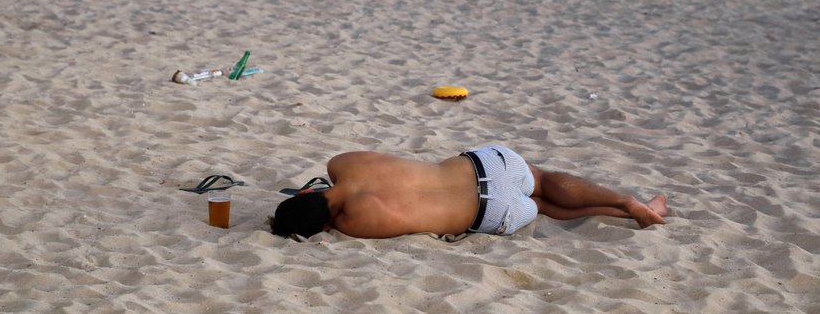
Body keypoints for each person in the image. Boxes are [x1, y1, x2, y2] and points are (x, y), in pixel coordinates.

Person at [270, 145, 667, 239]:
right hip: (485, 166)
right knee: (543, 180)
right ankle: (628, 202)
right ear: (306, 195)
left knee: (541, 204)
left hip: (491, 214)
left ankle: (627, 212)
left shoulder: (356, 223)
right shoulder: (343, 165)